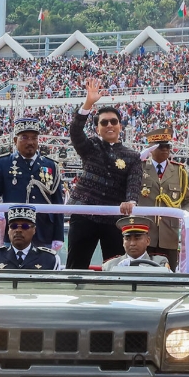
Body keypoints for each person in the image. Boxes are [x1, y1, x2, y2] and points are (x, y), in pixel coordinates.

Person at [67, 78, 143, 269]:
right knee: (76, 266)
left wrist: (131, 201)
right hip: (84, 214)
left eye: (113, 121)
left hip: (113, 218)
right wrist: (88, 104)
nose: (109, 125)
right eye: (104, 122)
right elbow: (75, 131)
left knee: (114, 267)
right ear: (98, 128)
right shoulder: (90, 146)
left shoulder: (133, 156)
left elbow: (134, 183)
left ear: (120, 126)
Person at [0, 117, 64, 250]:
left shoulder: (51, 165)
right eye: (25, 137)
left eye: (34, 138)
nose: (30, 142)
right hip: (15, 231)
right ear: (15, 140)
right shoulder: (3, 163)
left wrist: (59, 235)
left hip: (44, 232)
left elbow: (58, 204)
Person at [139, 127, 189, 270]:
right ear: (151, 148)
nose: (165, 149)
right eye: (160, 146)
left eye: (168, 146)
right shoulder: (139, 168)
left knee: (169, 274)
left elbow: (188, 199)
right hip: (144, 232)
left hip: (169, 234)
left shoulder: (179, 171)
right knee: (141, 272)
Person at [0, 206, 62, 270]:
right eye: (13, 226)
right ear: (8, 230)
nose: (18, 230)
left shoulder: (49, 259)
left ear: (34, 230)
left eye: (25, 226)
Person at [101, 216, 171, 269]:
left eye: (137, 238)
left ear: (148, 241)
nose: (132, 243)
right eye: (128, 239)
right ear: (123, 242)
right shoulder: (110, 266)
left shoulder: (160, 263)